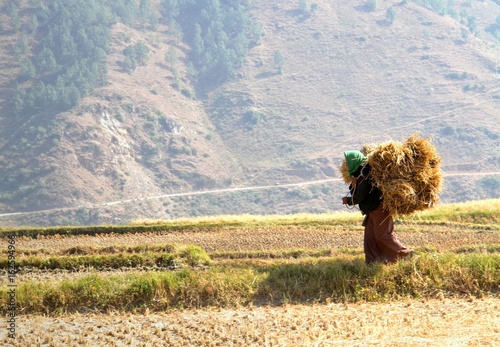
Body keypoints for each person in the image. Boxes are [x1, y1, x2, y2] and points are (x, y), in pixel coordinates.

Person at [341, 150, 413, 264]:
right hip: (371, 211)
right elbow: (358, 191)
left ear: (353, 161)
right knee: (370, 237)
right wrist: (352, 186)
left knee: (382, 235)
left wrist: (348, 200)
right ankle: (373, 262)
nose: (346, 164)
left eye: (348, 161)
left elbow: (359, 196)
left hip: (379, 209)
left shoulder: (365, 173)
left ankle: (405, 253)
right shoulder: (360, 174)